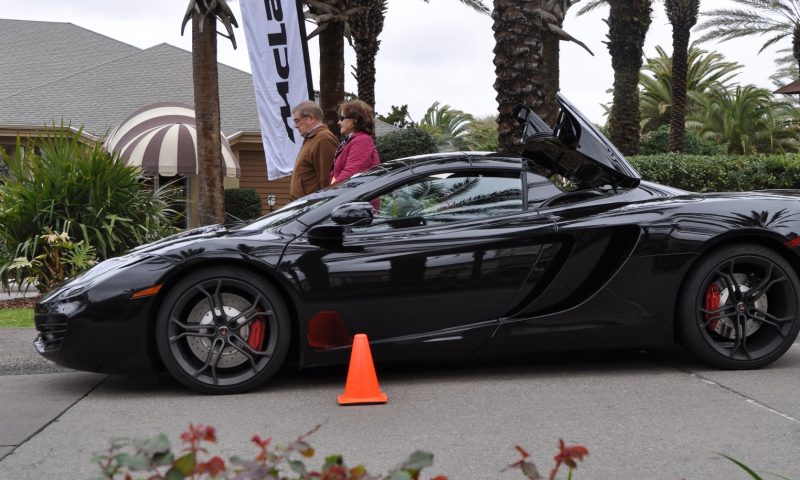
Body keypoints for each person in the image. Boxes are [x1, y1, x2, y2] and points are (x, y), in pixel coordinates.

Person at [289, 101, 338, 200]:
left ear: (311, 118)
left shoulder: (323, 139)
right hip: (305, 206)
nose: (296, 126)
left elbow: (327, 180)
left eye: (297, 120)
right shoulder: (314, 139)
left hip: (311, 208)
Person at [330, 99, 381, 185]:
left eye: (342, 118)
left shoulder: (362, 140)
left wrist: (330, 191)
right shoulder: (352, 140)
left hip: (358, 196)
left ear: (355, 119)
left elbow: (351, 173)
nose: (339, 122)